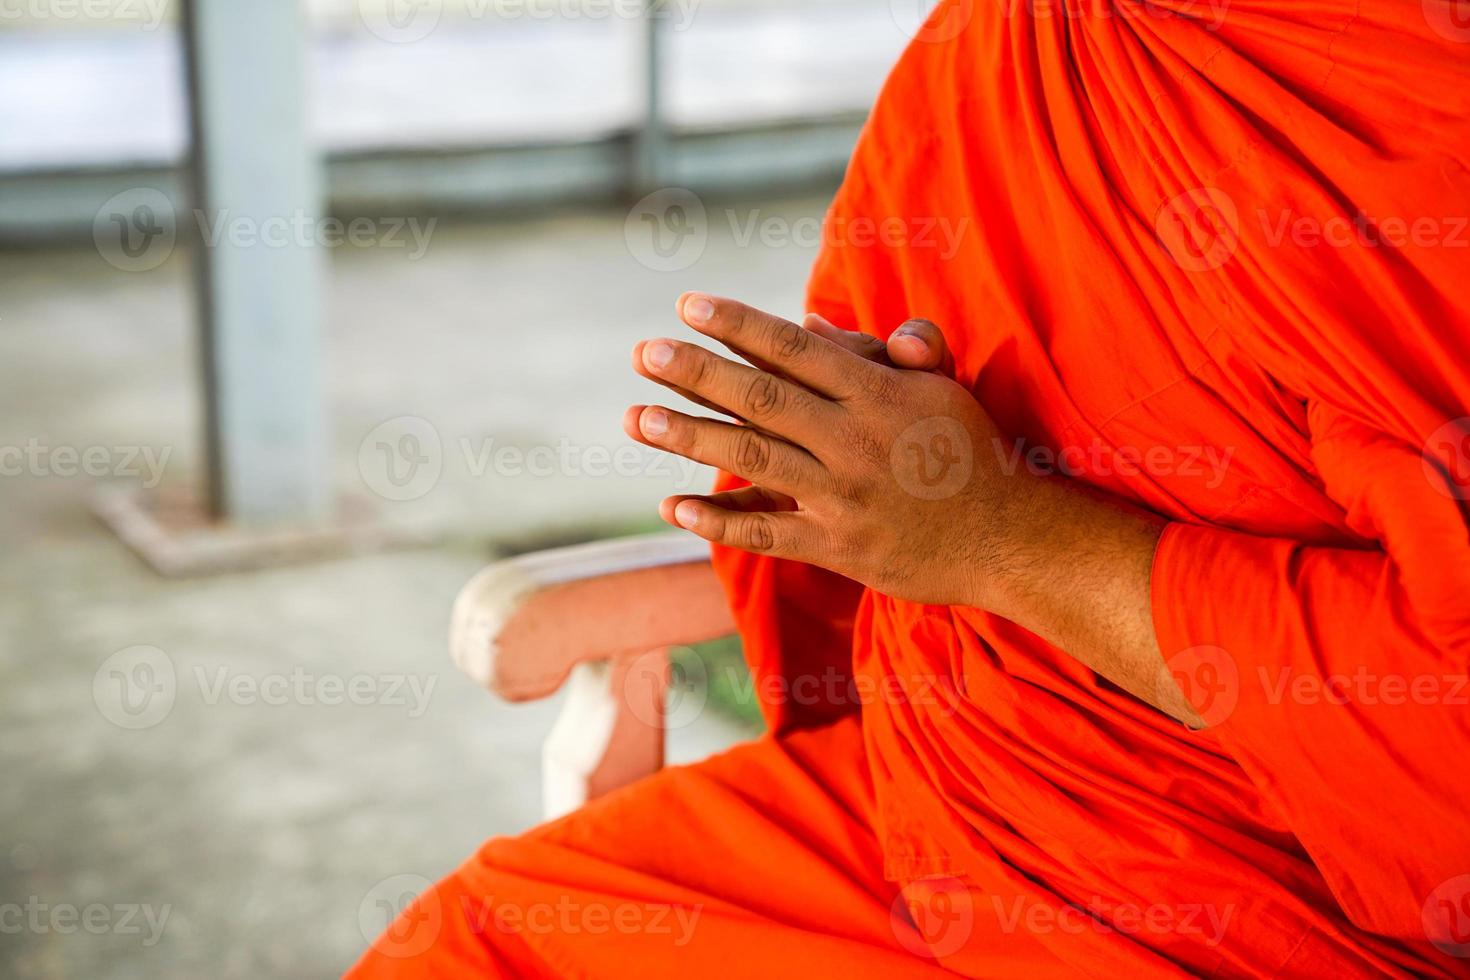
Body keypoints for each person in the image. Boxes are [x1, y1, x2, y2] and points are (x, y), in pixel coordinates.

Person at [350, 0, 1470, 974]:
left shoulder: (1413, 106)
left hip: (1284, 898)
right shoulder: (1014, 41)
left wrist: (1002, 538)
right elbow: (886, 373)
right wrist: (845, 448)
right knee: (477, 944)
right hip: (959, 794)